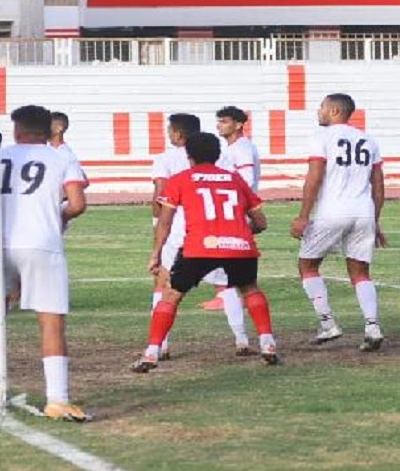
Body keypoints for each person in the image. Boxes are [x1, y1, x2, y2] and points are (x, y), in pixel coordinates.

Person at [133, 132, 279, 372]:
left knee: (171, 296)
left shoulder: (180, 179)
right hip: (239, 245)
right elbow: (261, 223)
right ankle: (267, 343)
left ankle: (152, 352)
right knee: (250, 290)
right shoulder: (235, 179)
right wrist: (240, 232)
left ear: (189, 156)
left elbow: (165, 222)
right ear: (218, 155)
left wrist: (156, 253)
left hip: (200, 245)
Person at [0, 104, 88, 422]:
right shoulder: (61, 157)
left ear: (17, 129)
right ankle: (57, 400)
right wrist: (59, 217)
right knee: (51, 322)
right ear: (49, 130)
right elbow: (77, 203)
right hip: (42, 244)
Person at [290, 93, 386, 352]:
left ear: (334, 111)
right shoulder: (368, 140)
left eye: (322, 107)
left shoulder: (321, 137)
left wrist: (303, 215)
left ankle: (328, 323)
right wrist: (374, 221)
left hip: (333, 211)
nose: (318, 111)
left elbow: (314, 178)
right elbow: (378, 186)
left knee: (307, 265)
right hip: (363, 211)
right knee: (360, 272)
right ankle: (372, 326)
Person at [199, 106, 262, 356]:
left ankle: (244, 332)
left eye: (224, 121)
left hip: (236, 215)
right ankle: (244, 330)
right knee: (230, 271)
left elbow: (244, 181)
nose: (219, 126)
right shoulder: (234, 149)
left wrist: (238, 210)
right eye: (219, 122)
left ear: (238, 124)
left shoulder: (243, 149)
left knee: (231, 271)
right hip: (234, 214)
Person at [149, 113, 201, 361]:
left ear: (179, 134)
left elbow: (160, 195)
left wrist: (156, 226)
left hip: (176, 225)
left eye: (170, 130)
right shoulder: (211, 155)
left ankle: (160, 345)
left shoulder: (165, 159)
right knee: (233, 284)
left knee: (163, 282)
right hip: (206, 225)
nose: (168, 134)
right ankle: (243, 340)